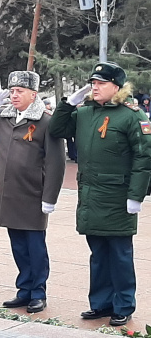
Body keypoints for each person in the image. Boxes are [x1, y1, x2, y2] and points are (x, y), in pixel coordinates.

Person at [49, 62, 151, 326]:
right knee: (98, 253)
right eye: (93, 83)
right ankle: (102, 303)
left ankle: (123, 305)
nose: (94, 87)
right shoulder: (84, 113)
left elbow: (145, 158)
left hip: (118, 197)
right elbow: (57, 130)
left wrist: (136, 196)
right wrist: (67, 104)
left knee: (119, 254)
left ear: (116, 87)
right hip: (91, 195)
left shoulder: (132, 116)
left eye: (101, 83)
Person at [0, 70, 65, 313]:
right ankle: (24, 290)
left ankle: (38, 292)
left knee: (35, 247)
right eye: (11, 91)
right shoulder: (4, 117)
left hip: (33, 193)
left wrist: (50, 198)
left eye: (19, 91)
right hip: (8, 193)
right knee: (18, 246)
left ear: (34, 94)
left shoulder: (45, 121)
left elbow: (56, 162)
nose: (14, 95)